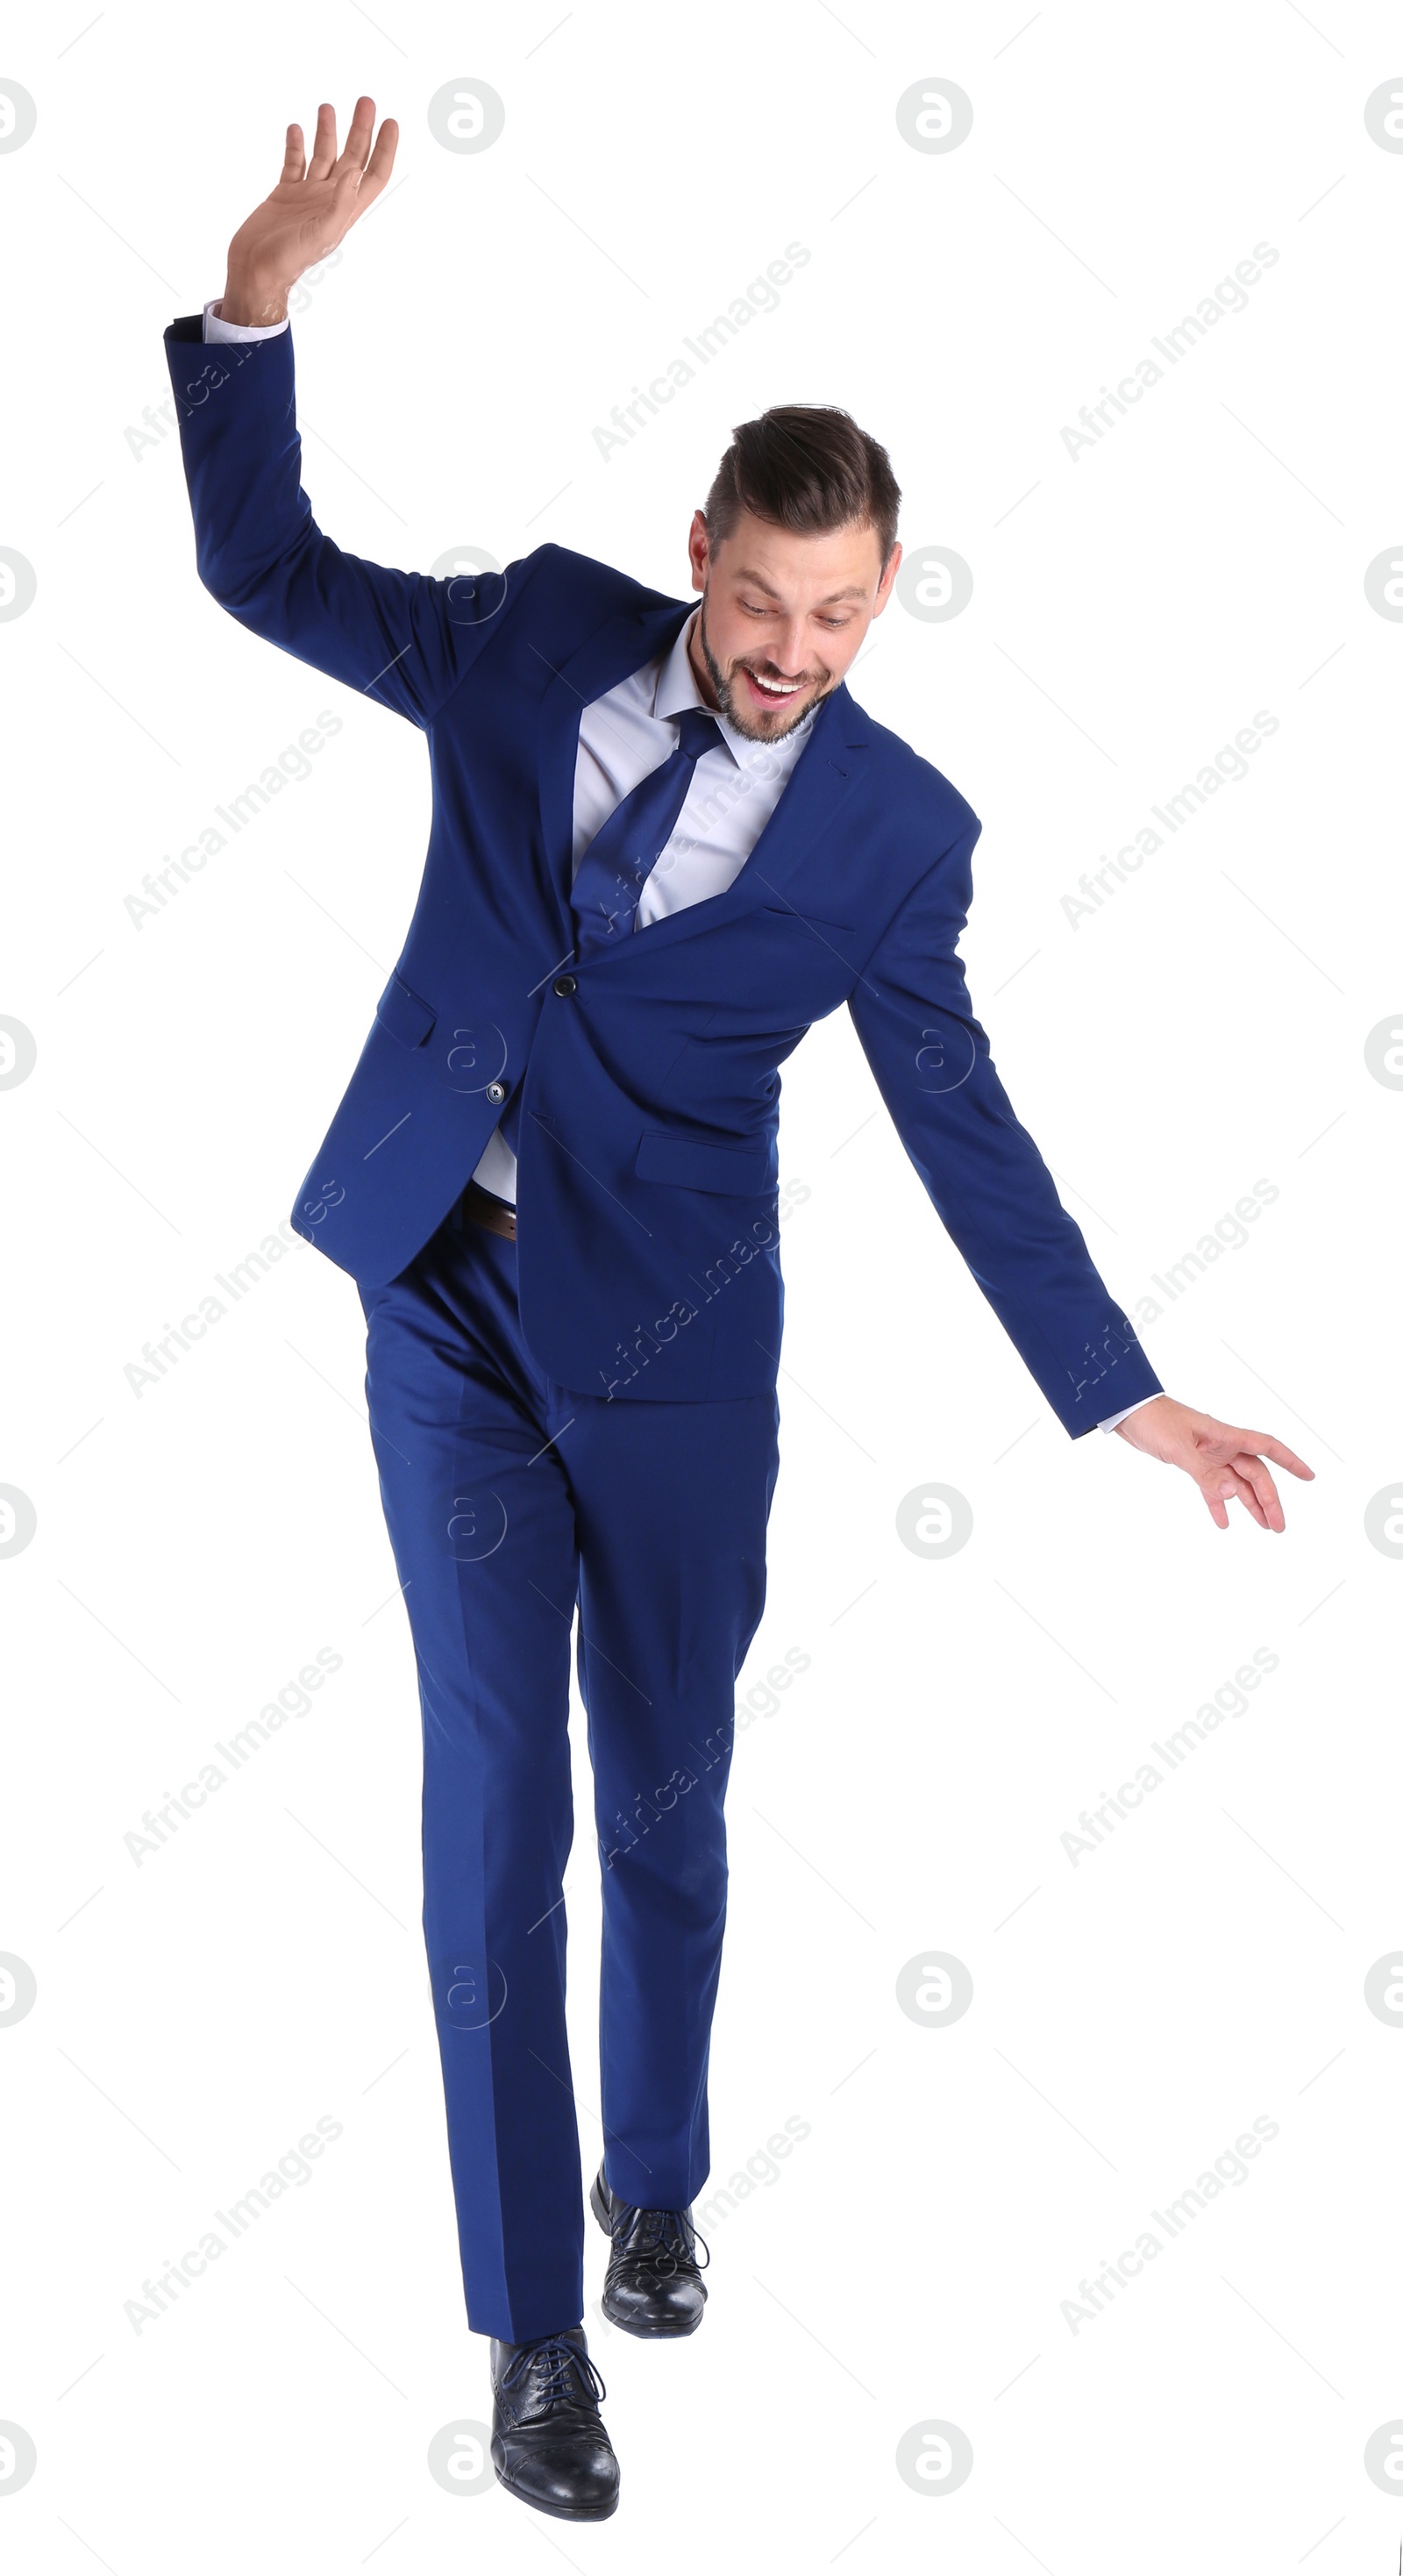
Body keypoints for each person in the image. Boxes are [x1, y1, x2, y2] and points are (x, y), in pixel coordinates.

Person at [163, 96, 1314, 2525]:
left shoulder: (901, 841)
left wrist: (1123, 1391)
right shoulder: (531, 639)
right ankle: (534, 2336)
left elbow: (962, 1126)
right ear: (700, 554)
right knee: (501, 1816)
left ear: (884, 597)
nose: (792, 656)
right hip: (441, 1317)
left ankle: (655, 2172)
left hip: (680, 1360)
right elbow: (264, 566)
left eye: (844, 615)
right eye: (765, 601)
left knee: (669, 1803)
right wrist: (260, 298)